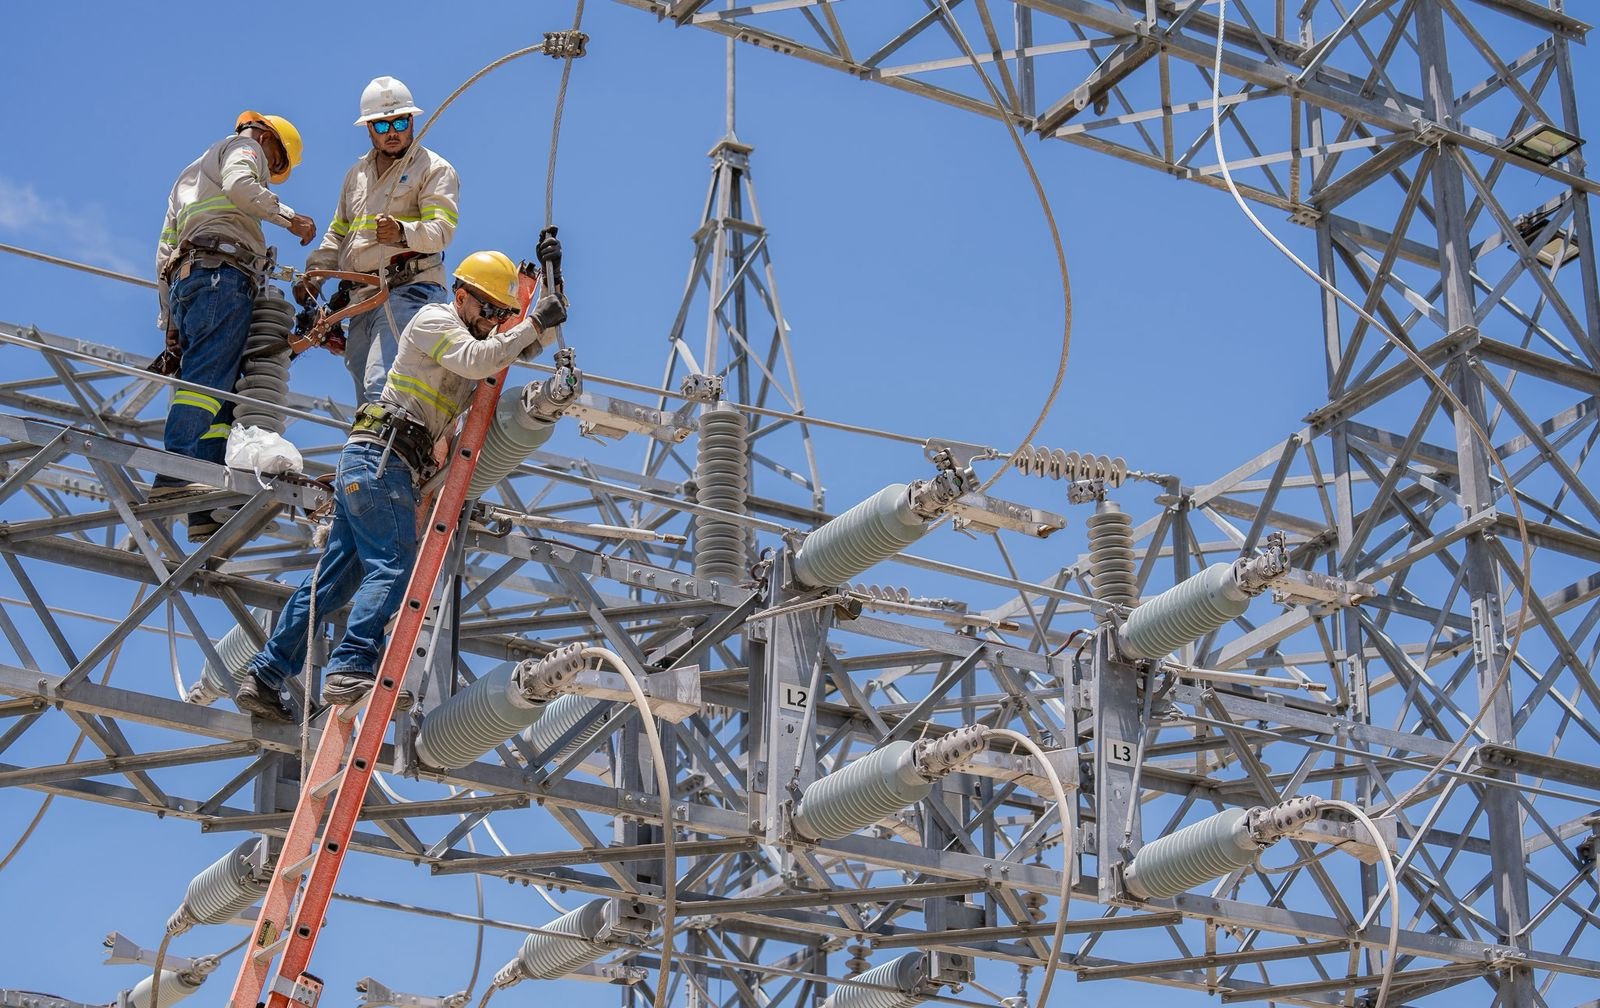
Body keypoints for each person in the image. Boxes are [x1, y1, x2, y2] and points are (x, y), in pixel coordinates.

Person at [234, 243, 566, 720]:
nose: (493, 319)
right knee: (390, 565)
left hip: (377, 461)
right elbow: (482, 360)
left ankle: (265, 674)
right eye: (488, 308)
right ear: (461, 295)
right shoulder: (436, 322)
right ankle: (350, 667)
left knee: (331, 582)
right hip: (382, 458)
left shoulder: (478, 336)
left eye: (500, 313)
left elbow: (520, 345)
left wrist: (553, 302)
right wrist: (533, 323)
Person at [152, 112, 317, 540]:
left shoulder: (188, 177)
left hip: (191, 281)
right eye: (276, 161)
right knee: (207, 381)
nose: (271, 170)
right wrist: (289, 217)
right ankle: (173, 473)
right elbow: (243, 187)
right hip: (221, 276)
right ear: (266, 137)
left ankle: (204, 504)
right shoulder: (243, 149)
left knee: (221, 393)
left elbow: (164, 248)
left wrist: (169, 318)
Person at [296, 76, 460, 404]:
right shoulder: (356, 175)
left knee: (381, 385)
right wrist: (316, 273)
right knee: (363, 388)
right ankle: (372, 452)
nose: (393, 132)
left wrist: (402, 232)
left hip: (408, 290)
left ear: (412, 120)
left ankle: (384, 454)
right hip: (362, 299)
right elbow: (339, 233)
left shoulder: (433, 169)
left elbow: (441, 232)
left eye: (400, 122)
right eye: (382, 126)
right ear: (368, 129)